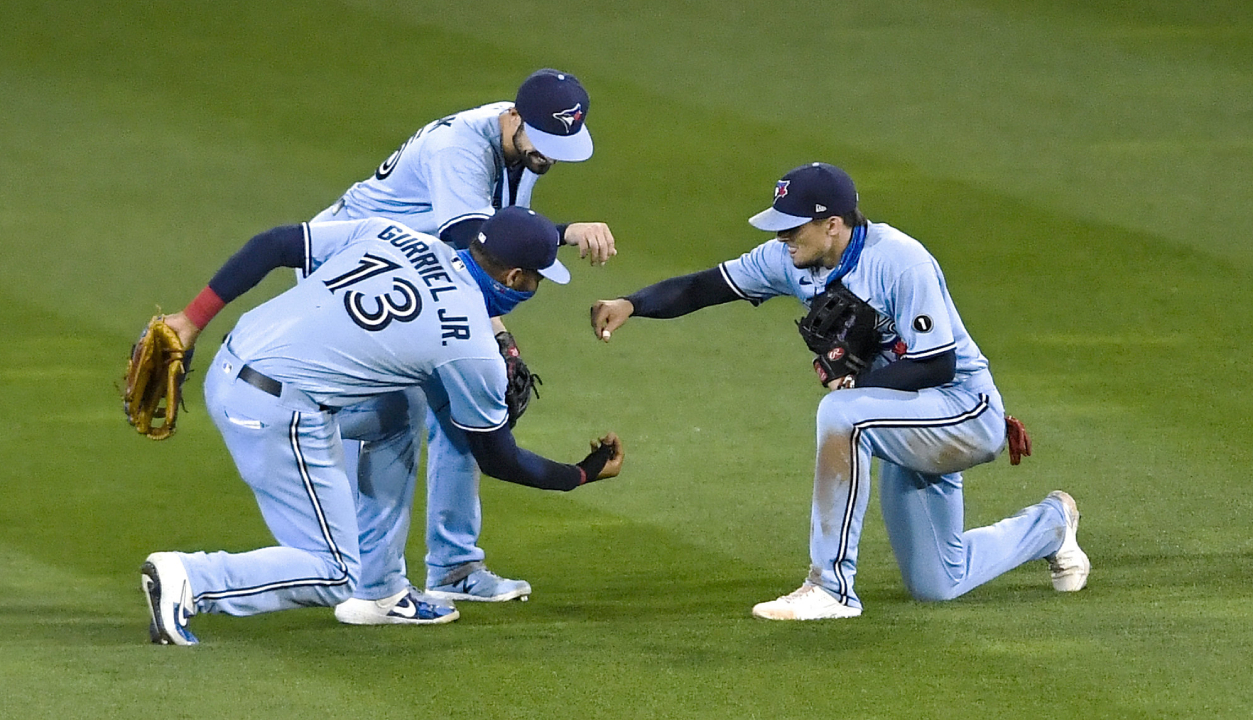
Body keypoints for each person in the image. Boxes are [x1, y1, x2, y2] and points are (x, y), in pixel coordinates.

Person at [590, 162, 1089, 620]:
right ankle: (1050, 525)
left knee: (843, 414)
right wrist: (632, 305)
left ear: (833, 224)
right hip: (904, 420)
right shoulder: (791, 259)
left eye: (793, 225)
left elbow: (938, 363)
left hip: (963, 412)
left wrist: (859, 383)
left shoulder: (899, 261)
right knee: (938, 581)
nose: (783, 235)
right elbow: (707, 286)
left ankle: (831, 587)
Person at [141, 207, 624, 645]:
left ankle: (380, 593)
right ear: (515, 277)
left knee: (398, 411)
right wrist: (579, 474)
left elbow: (276, 243)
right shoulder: (472, 346)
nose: (534, 289)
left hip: (233, 360)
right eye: (536, 280)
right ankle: (189, 579)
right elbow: (498, 458)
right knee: (332, 573)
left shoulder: (394, 236)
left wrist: (191, 319)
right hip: (276, 413)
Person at [308, 68, 617, 611]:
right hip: (350, 274)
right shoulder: (459, 149)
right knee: (396, 414)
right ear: (515, 119)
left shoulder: (523, 145)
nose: (549, 156)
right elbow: (470, 240)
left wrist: (497, 340)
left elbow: (485, 257)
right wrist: (563, 232)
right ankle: (371, 585)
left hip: (416, 277)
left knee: (467, 402)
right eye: (543, 142)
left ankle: (453, 567)